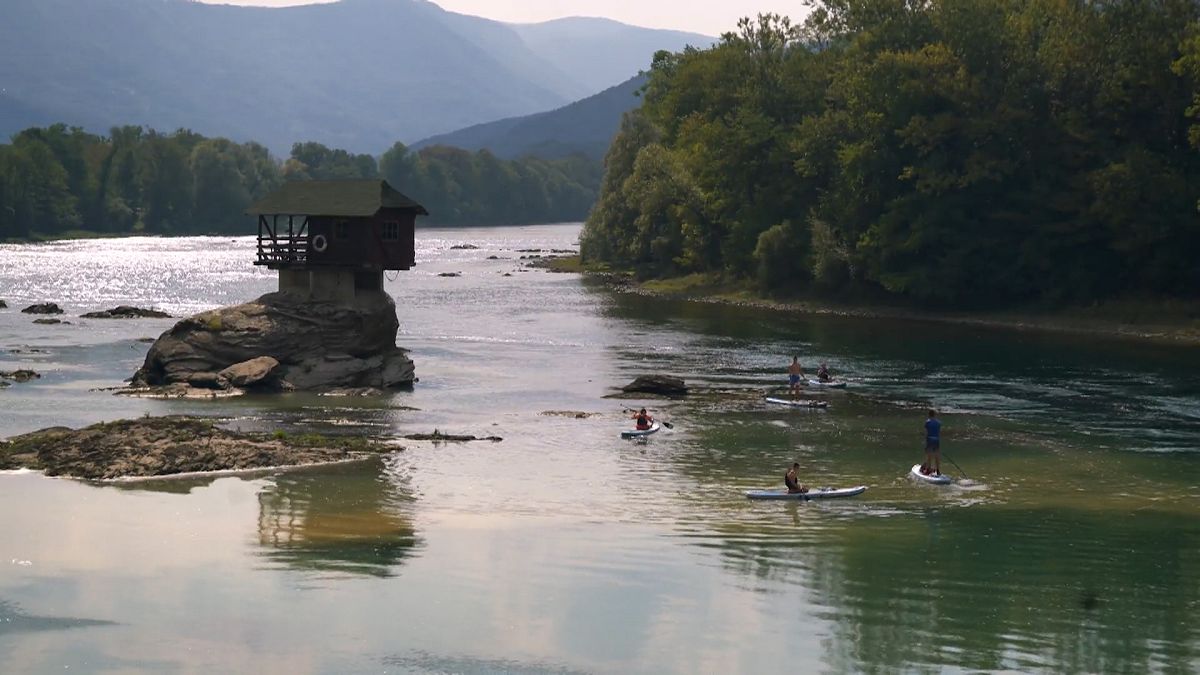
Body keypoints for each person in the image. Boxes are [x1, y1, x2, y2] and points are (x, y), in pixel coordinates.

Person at [922, 409, 942, 476]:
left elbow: (926, 433)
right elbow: (939, 433)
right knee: (937, 455)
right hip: (936, 440)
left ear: (929, 415)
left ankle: (928, 470)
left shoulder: (927, 422)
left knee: (929, 455)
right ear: (935, 415)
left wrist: (925, 441)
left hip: (930, 439)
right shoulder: (938, 423)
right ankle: (938, 470)